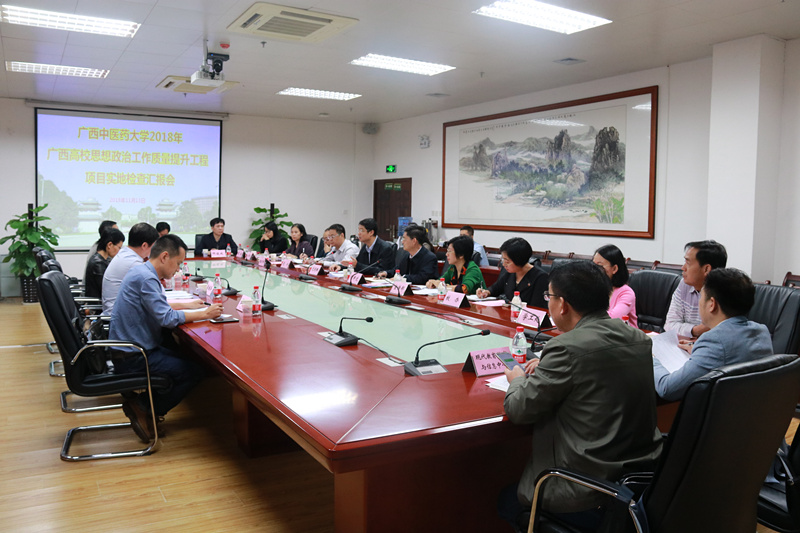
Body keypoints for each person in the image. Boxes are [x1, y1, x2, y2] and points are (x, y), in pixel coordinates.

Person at [500, 261, 662, 530]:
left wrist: (517, 379)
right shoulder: (639, 338)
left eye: (549, 297)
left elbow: (518, 409)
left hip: (583, 489)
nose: (549, 303)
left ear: (562, 304)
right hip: (637, 483)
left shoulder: (565, 347)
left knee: (506, 502)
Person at [109, 234, 223, 442]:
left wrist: (189, 306)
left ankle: (147, 408)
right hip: (133, 357)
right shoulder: (146, 278)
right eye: (178, 263)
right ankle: (143, 407)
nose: (178, 270)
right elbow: (167, 318)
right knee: (194, 371)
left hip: (131, 349)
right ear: (164, 257)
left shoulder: (142, 271)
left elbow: (157, 305)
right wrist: (205, 314)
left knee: (190, 359)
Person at [653, 268, 772, 401]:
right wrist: (699, 350)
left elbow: (667, 388)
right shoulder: (761, 331)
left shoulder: (714, 342)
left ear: (712, 304)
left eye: (701, 297)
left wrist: (650, 359)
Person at [665, 240, 727, 338]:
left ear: (706, 269)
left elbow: (720, 334)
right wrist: (695, 330)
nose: (683, 268)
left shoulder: (726, 292)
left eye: (688, 263)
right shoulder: (685, 285)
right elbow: (669, 325)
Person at [102, 223, 159, 315]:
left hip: (116, 312)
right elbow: (155, 293)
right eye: (153, 246)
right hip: (118, 316)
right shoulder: (133, 263)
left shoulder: (125, 254)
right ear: (144, 245)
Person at [476, 237, 548, 308]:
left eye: (507, 261)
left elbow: (537, 308)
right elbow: (495, 289)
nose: (504, 264)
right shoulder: (510, 273)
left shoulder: (540, 278)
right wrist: (486, 292)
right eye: (503, 260)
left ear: (519, 260)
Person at [592, 244, 638, 327]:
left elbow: (612, 319)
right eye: (593, 265)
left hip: (622, 334)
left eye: (599, 265)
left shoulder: (626, 293)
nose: (594, 269)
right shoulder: (594, 288)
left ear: (614, 269)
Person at [84, 228, 124, 298]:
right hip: (98, 303)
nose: (119, 251)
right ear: (109, 245)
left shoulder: (101, 259)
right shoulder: (98, 263)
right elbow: (106, 289)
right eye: (119, 247)